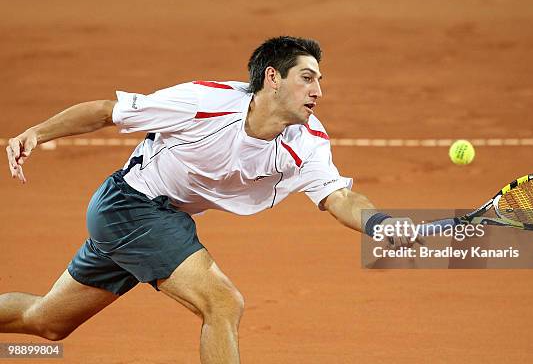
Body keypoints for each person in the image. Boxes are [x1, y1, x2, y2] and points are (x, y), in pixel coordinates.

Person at [2, 36, 414, 363]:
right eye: (307, 78)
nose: (318, 90)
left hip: (153, 220)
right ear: (273, 77)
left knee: (47, 322)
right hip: (129, 205)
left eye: (320, 80)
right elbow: (108, 112)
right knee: (222, 304)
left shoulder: (307, 142)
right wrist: (36, 133)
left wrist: (381, 223)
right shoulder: (205, 102)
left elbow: (339, 197)